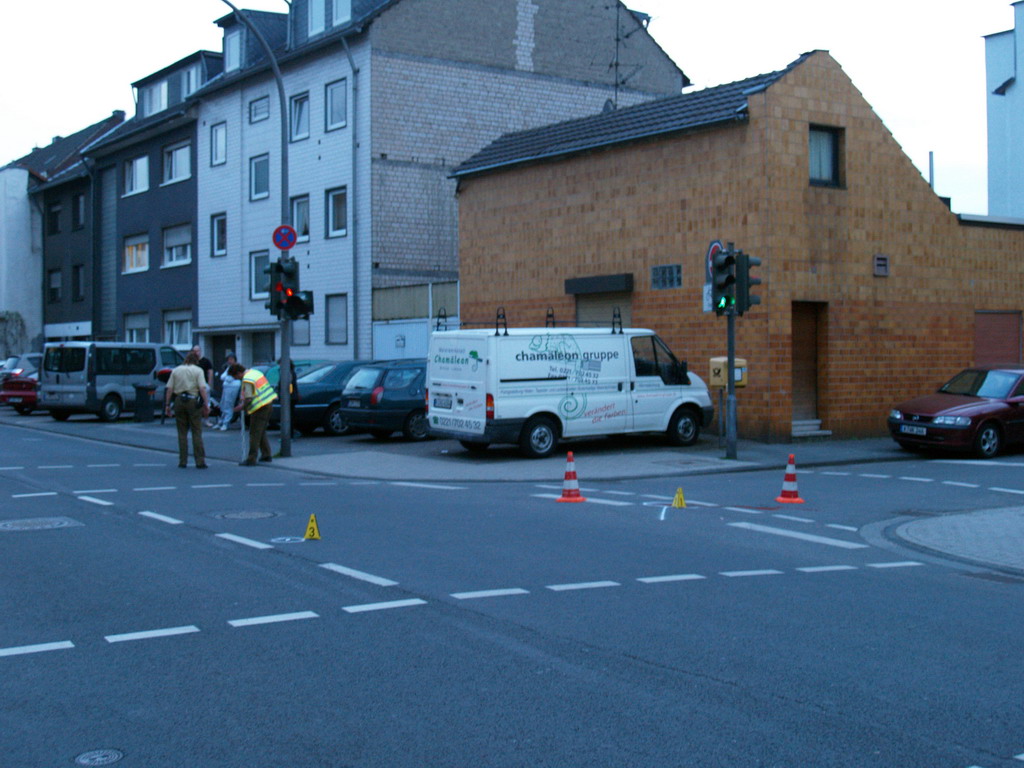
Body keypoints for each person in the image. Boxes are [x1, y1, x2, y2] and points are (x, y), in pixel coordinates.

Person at [164, 350, 210, 469]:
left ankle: (182, 461)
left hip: (179, 400)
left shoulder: (176, 370)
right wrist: (206, 404)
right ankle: (199, 461)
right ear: (196, 361)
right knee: (196, 431)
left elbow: (169, 389)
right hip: (193, 400)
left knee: (182, 432)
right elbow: (202, 388)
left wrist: (167, 405)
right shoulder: (198, 371)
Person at [229, 362, 277, 466]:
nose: (236, 379)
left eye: (235, 377)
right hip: (268, 403)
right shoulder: (255, 373)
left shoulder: (247, 379)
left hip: (259, 407)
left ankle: (251, 458)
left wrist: (241, 407)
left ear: (238, 373)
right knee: (261, 431)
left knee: (254, 433)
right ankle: (266, 454)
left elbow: (249, 398)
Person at [192, 344, 215, 426]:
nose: (196, 353)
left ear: (200, 351)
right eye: (194, 351)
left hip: (203, 384)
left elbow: (210, 372)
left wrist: (209, 383)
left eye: (197, 351)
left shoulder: (205, 361)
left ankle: (206, 419)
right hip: (194, 385)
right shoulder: (192, 362)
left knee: (206, 402)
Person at [216, 354, 240, 431]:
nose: (229, 361)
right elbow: (222, 376)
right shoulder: (229, 367)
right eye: (228, 359)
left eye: (231, 359)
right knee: (223, 404)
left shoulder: (237, 367)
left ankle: (226, 423)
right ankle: (222, 421)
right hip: (226, 387)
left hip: (232, 387)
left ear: (234, 360)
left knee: (228, 404)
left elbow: (229, 378)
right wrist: (226, 378)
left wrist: (226, 378)